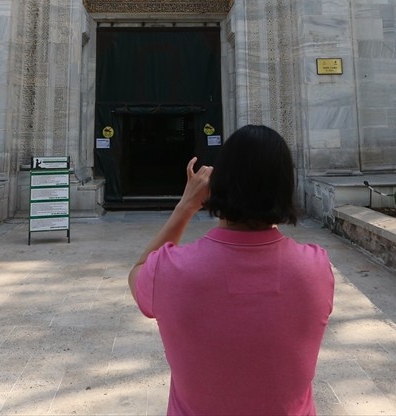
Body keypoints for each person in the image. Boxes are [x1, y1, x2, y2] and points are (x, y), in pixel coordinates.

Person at [129, 124, 334, 416]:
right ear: (286, 185)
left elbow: (138, 271)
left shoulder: (170, 270)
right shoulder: (316, 268)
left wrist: (186, 206)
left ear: (217, 184)